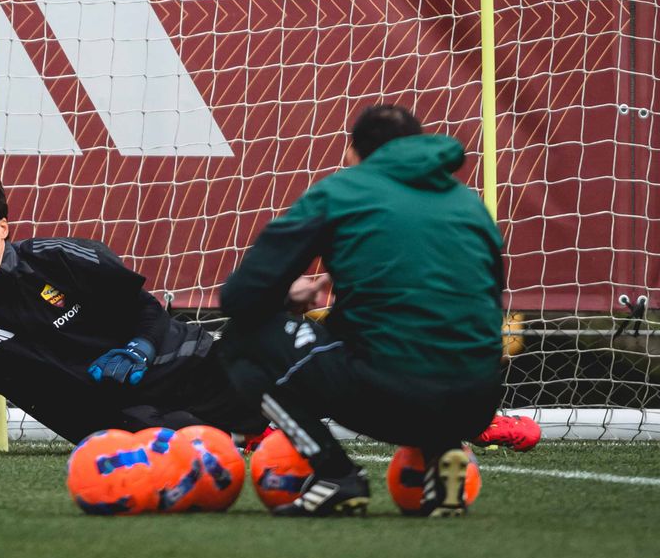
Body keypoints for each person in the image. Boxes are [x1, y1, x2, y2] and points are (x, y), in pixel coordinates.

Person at [216, 104, 515, 517]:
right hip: (476, 402)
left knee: (241, 340)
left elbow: (240, 298)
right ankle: (443, 452)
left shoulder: (342, 192)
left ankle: (336, 476)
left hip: (387, 395)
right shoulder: (470, 207)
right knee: (421, 339)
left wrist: (290, 297)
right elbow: (481, 300)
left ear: (353, 153)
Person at [0, 165, 268, 454]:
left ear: (2, 228)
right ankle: (244, 438)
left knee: (294, 379)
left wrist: (138, 349)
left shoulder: (60, 257)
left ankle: (256, 426)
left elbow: (147, 310)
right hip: (127, 427)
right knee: (187, 450)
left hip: (189, 367)